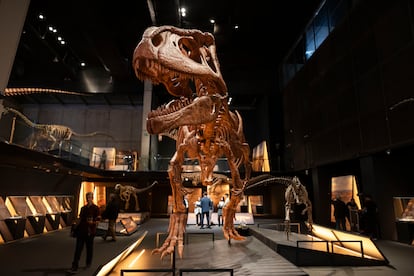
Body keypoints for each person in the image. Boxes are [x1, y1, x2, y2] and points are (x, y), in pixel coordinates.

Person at [68, 192, 100, 273]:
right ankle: (74, 266)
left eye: (89, 197)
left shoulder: (96, 208)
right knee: (78, 249)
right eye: (87, 197)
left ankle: (88, 263)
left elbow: (98, 220)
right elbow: (80, 218)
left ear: (92, 198)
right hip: (81, 231)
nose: (88, 199)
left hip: (90, 232)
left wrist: (93, 223)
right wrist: (74, 227)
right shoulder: (83, 208)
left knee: (89, 248)